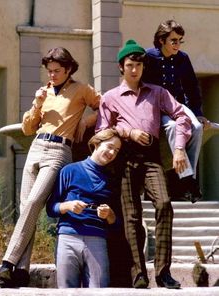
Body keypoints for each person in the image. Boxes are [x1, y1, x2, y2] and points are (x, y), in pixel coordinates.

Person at [0, 47, 100, 288]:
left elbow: (104, 106)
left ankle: (8, 262)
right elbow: (26, 129)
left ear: (68, 69)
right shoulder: (44, 92)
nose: (52, 75)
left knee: (34, 203)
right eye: (49, 71)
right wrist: (37, 104)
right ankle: (21, 271)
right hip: (36, 147)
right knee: (27, 208)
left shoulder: (82, 89)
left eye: (56, 71)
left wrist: (86, 121)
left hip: (58, 152)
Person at [96, 39, 192, 289]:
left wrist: (179, 147)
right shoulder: (109, 98)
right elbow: (102, 132)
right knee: (131, 217)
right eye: (130, 65)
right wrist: (127, 132)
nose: (135, 70)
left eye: (139, 65)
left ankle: (163, 272)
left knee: (164, 204)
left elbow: (181, 116)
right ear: (121, 67)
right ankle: (138, 273)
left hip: (151, 159)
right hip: (124, 160)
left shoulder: (157, 92)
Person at [142, 19, 211, 203]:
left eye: (180, 40)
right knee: (172, 127)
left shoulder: (183, 58)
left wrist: (197, 112)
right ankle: (188, 180)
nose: (177, 44)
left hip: (178, 105)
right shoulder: (148, 57)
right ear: (161, 40)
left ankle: (187, 178)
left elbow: (191, 88)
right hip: (156, 107)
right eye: (174, 40)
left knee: (196, 127)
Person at [46, 128, 121, 288]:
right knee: (65, 291)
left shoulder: (112, 180)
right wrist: (68, 206)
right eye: (109, 146)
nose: (112, 153)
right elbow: (51, 208)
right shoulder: (69, 171)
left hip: (97, 240)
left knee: (99, 291)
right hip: (68, 237)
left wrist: (109, 214)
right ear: (96, 143)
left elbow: (116, 223)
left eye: (116, 150)